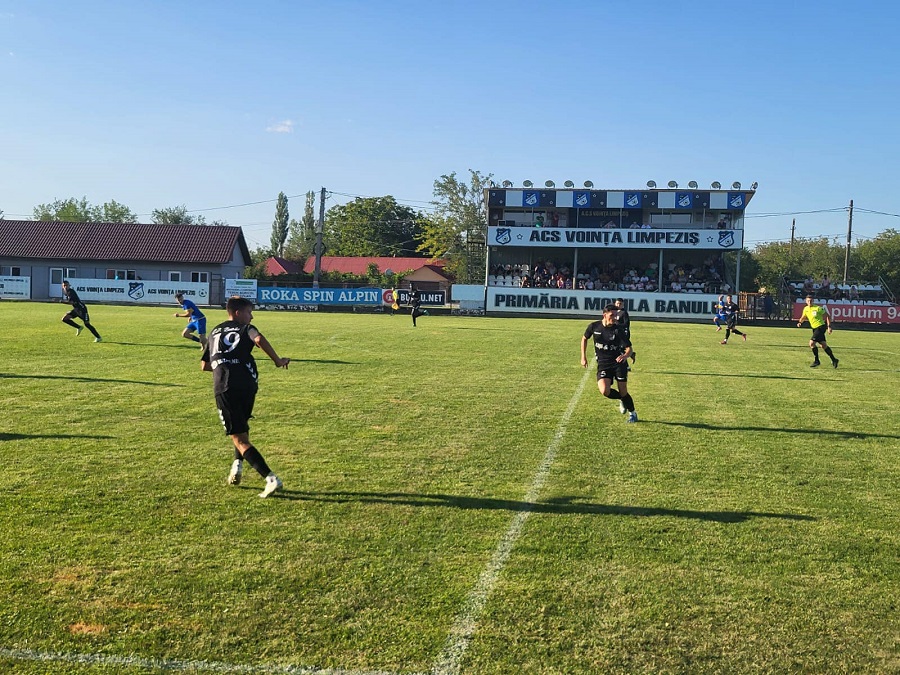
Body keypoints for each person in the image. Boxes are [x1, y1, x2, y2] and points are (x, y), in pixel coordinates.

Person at [201, 297, 290, 498]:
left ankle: (270, 478)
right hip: (248, 383)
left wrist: (222, 365)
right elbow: (258, 339)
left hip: (225, 385)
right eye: (249, 312)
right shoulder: (245, 328)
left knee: (239, 437)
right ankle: (237, 465)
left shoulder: (215, 332)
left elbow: (205, 365)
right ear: (238, 313)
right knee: (242, 428)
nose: (252, 316)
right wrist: (277, 360)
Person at [580, 304, 638, 423]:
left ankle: (633, 414)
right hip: (603, 364)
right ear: (604, 315)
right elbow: (584, 338)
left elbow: (629, 349)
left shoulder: (618, 330)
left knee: (623, 391)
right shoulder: (594, 327)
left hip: (618, 363)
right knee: (605, 391)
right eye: (612, 315)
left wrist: (626, 355)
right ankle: (622, 399)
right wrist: (583, 357)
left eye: (616, 315)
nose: (615, 318)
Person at [797, 295, 838, 368]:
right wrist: (800, 322)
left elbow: (828, 316)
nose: (810, 302)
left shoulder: (818, 308)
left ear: (813, 301)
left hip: (821, 327)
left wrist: (829, 327)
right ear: (806, 301)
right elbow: (803, 317)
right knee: (823, 345)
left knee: (811, 343)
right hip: (814, 328)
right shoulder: (806, 309)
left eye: (811, 300)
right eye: (808, 301)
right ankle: (834, 359)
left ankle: (817, 361)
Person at [614, 298, 637, 365]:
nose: (618, 305)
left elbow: (626, 324)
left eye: (620, 304)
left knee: (621, 348)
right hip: (617, 332)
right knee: (620, 348)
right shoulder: (614, 312)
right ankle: (631, 354)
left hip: (623, 333)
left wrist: (618, 325)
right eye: (617, 303)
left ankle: (626, 365)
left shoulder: (624, 313)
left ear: (623, 305)